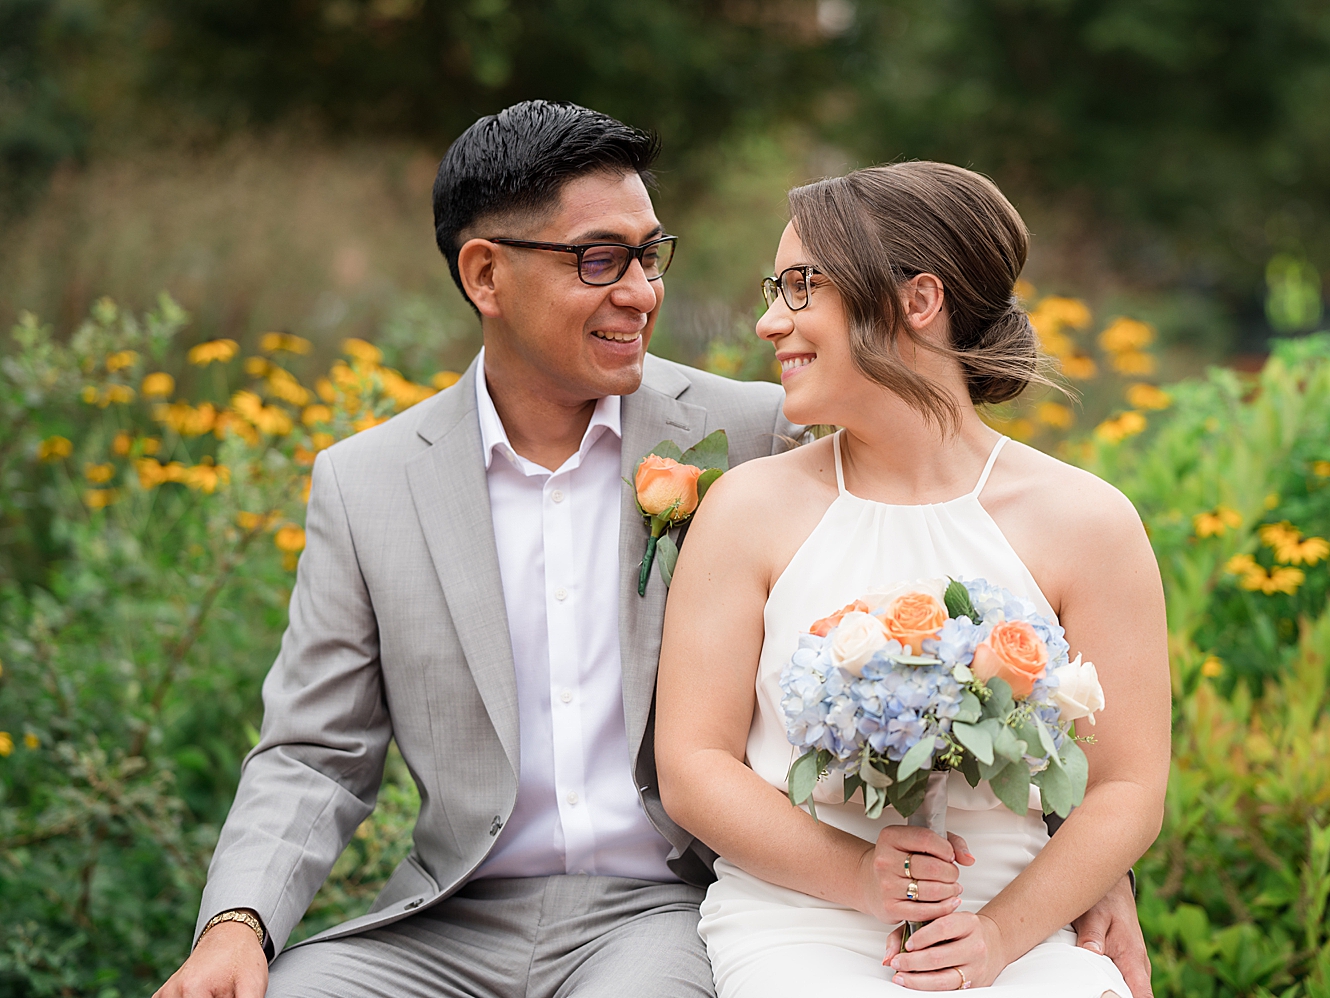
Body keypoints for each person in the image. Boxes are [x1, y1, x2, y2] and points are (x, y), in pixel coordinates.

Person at [153, 104, 1150, 998]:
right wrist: (236, 922)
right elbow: (313, 755)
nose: (641, 291)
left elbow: (936, 550)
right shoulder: (367, 484)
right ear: (484, 273)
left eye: (649, 255)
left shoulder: (761, 431)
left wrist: (1090, 866)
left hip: (656, 908)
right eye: (599, 260)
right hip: (446, 920)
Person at [655, 162, 1170, 996]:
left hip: (1017, 920)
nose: (765, 322)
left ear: (916, 301)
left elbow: (1128, 787)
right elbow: (693, 765)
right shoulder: (749, 508)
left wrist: (999, 936)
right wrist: (860, 877)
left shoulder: (1089, 523)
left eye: (798, 287)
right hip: (802, 920)